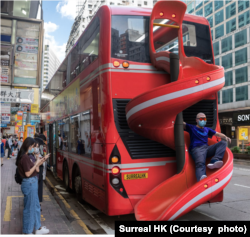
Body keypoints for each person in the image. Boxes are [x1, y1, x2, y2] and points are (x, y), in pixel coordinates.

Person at [16, 137, 50, 234]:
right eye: (33, 146)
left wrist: (40, 161)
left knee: (35, 207)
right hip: (29, 183)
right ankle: (27, 231)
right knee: (29, 209)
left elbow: (35, 169)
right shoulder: (25, 158)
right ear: (29, 146)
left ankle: (38, 228)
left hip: (32, 183)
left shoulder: (27, 156)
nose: (34, 148)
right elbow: (27, 173)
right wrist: (36, 164)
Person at [183, 112, 231, 181]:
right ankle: (201, 179)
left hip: (206, 148)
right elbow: (182, 124)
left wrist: (226, 137)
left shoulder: (207, 129)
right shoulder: (191, 127)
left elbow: (218, 134)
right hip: (197, 149)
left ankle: (215, 160)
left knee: (223, 143)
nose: (203, 120)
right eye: (201, 118)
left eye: (204, 118)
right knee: (200, 164)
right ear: (196, 120)